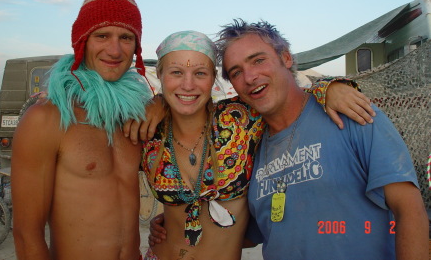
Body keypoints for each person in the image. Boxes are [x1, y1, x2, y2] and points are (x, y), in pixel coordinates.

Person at [138, 30, 376, 260]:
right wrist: (157, 101)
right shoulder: (146, 131)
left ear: (213, 78)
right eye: (176, 73)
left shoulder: (242, 117)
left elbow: (286, 95)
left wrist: (328, 87)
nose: (188, 85)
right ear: (159, 75)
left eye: (200, 73)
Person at [214, 20, 428, 259]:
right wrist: (179, 218)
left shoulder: (352, 114)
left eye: (258, 60)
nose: (250, 77)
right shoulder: (248, 148)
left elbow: (409, 208)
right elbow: (251, 233)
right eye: (236, 72)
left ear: (286, 58)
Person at [11, 0, 152, 260]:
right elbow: (27, 234)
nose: (115, 50)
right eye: (102, 36)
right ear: (82, 42)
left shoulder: (135, 116)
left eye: (126, 38)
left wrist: (161, 104)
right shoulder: (47, 119)